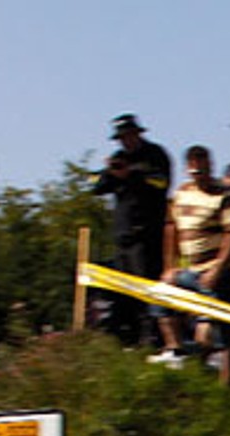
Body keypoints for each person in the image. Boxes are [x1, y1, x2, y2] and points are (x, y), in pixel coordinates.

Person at [149, 145, 230, 370]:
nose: (200, 174)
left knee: (217, 329)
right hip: (190, 268)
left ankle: (225, 374)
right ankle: (176, 350)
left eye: (204, 168)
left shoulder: (224, 196)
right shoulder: (181, 194)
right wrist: (169, 266)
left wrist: (218, 269)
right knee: (160, 296)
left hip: (217, 271)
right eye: (195, 170)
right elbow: (171, 227)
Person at [90, 114, 171, 345]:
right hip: (122, 236)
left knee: (146, 287)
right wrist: (111, 172)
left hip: (146, 235)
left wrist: (131, 174)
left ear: (137, 134)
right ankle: (129, 338)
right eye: (121, 138)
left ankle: (153, 338)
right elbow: (95, 185)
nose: (125, 141)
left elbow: (161, 182)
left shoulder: (155, 154)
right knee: (123, 291)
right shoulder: (119, 158)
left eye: (128, 136)